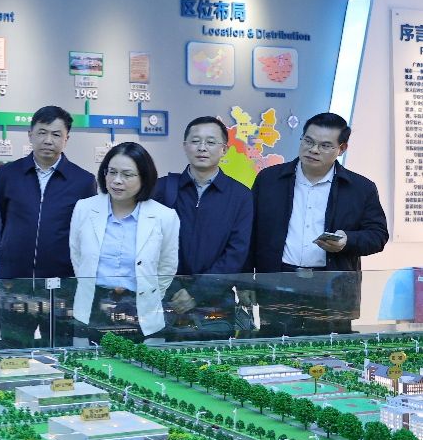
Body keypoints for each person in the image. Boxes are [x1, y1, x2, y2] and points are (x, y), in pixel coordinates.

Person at [249, 112, 388, 335]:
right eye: (308, 141)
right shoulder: (269, 180)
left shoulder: (361, 188)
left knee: (328, 352)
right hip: (278, 283)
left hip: (331, 288)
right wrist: (247, 281)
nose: (313, 150)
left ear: (342, 149)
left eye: (325, 146)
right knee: (277, 349)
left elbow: (378, 235)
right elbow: (249, 233)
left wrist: (348, 241)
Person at [0, 106, 97, 346]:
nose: (48, 140)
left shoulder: (82, 181)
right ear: (30, 135)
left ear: (66, 139)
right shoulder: (9, 174)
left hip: (62, 287)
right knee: (14, 349)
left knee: (60, 349)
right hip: (14, 284)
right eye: (42, 132)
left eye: (56, 134)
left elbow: (86, 234)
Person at [152, 116, 253, 338]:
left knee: (213, 357)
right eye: (195, 141)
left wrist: (196, 293)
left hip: (216, 304)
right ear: (185, 146)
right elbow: (149, 246)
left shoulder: (240, 196)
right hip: (166, 300)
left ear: (224, 149)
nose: (202, 148)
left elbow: (236, 253)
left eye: (211, 142)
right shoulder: (161, 189)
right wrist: (174, 289)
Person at [70, 142, 179, 342]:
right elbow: (77, 256)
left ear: (144, 177)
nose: (117, 181)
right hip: (92, 306)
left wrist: (150, 293)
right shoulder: (84, 208)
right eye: (112, 172)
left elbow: (167, 266)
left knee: (141, 361)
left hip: (141, 308)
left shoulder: (164, 216)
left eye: (127, 175)